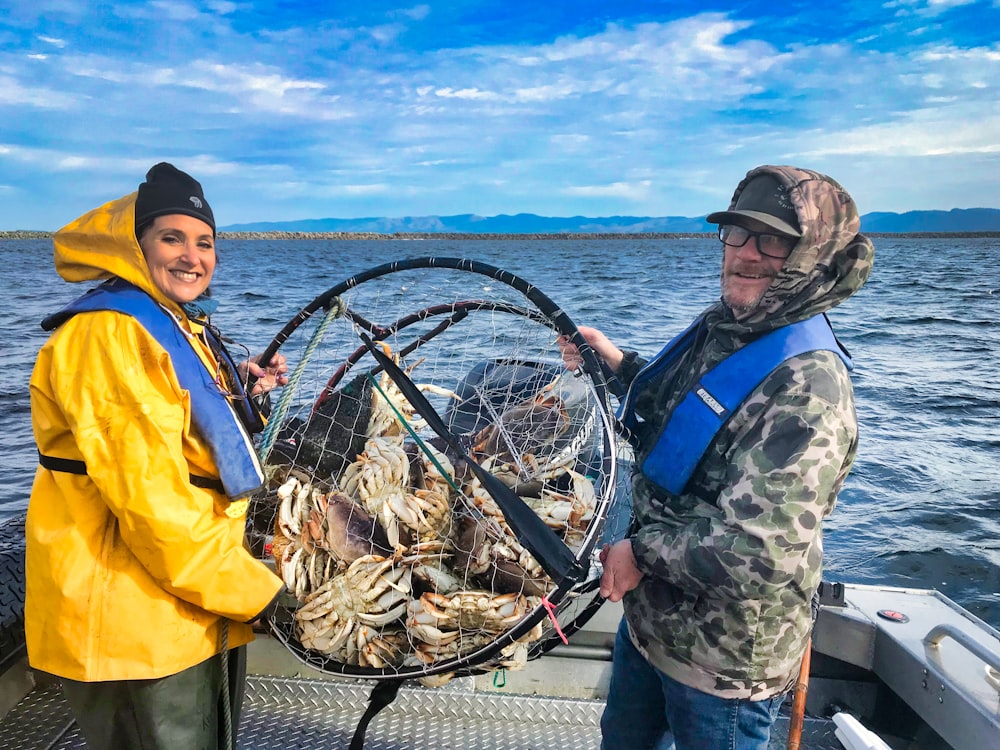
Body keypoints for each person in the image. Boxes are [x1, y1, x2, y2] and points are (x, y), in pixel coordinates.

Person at [560, 165, 874, 749]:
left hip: (722, 661)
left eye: (773, 240)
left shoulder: (809, 388)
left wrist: (640, 553)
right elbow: (689, 416)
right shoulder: (729, 329)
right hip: (653, 623)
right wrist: (617, 362)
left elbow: (762, 552)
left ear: (815, 256)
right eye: (737, 234)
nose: (746, 255)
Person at [25, 163, 289, 749]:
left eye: (205, 242)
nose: (192, 257)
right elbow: (154, 507)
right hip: (131, 621)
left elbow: (186, 432)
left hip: (189, 607)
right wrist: (265, 596)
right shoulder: (108, 337)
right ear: (133, 246)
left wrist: (241, 391)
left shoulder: (166, 323)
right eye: (172, 238)